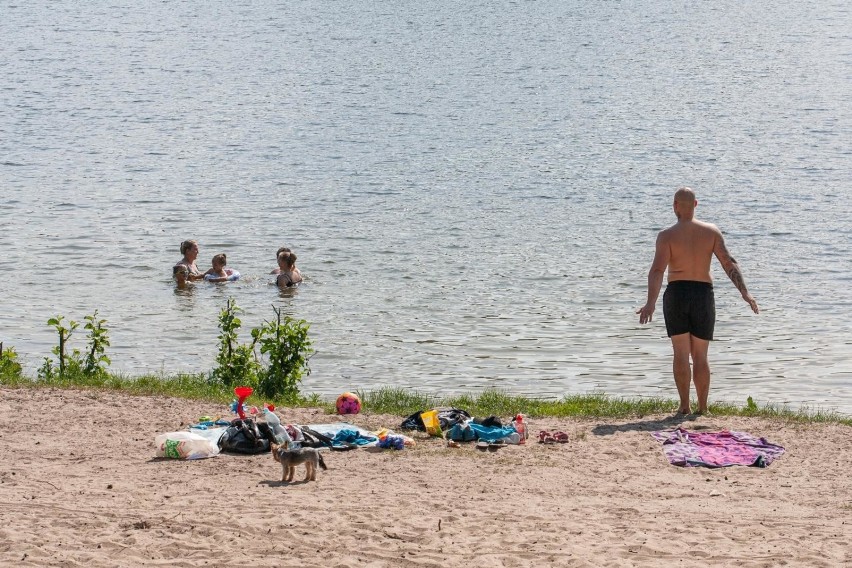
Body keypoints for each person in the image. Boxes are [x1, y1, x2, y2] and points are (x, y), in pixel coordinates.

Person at [637, 187, 759, 415]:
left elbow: (657, 271)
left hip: (677, 293)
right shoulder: (711, 232)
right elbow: (728, 263)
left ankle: (684, 405)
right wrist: (745, 293)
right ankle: (703, 408)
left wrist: (650, 302)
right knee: (701, 355)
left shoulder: (666, 236)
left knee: (681, 353)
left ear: (675, 205)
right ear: (695, 205)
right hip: (703, 294)